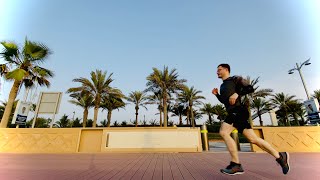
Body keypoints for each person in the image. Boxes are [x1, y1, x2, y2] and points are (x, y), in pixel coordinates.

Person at [212, 63, 290, 175]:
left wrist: (237, 93)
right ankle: (280, 156)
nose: (217, 72)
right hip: (234, 112)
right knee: (253, 139)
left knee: (224, 132)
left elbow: (250, 88)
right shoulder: (222, 86)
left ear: (226, 70)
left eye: (219, 69)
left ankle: (236, 164)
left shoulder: (235, 79)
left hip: (238, 111)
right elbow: (226, 101)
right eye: (217, 70)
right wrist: (217, 95)